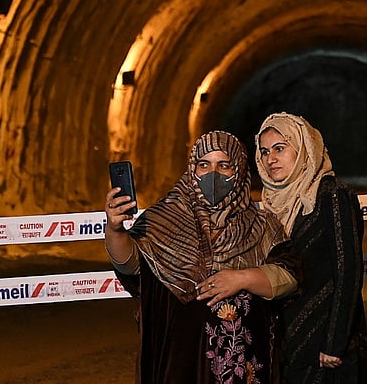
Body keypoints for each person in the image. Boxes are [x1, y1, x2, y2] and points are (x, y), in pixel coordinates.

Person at [104, 130, 301, 384]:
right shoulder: (161, 220)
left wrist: (241, 278)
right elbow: (131, 266)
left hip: (241, 367)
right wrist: (115, 229)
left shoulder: (261, 225)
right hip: (177, 363)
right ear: (191, 168)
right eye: (204, 164)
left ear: (239, 170)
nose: (213, 174)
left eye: (224, 165)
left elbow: (289, 275)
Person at [255, 112, 367, 383]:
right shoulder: (271, 203)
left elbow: (348, 270)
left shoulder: (332, 195)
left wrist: (335, 341)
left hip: (324, 340)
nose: (270, 158)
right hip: (286, 338)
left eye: (280, 148)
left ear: (304, 147)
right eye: (264, 152)